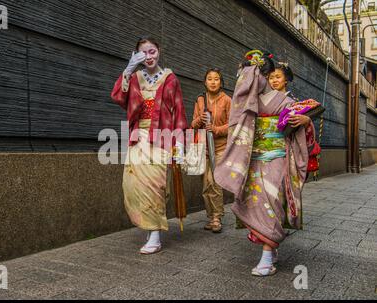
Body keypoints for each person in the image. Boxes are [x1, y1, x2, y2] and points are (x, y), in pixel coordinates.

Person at [214, 50, 315, 276]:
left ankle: (267, 258)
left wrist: (306, 121)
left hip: (277, 157)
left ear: (263, 75)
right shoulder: (250, 102)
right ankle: (269, 248)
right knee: (254, 203)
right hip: (253, 159)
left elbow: (299, 130)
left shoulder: (286, 101)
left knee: (271, 201)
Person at [111, 36, 188, 255]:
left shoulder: (170, 78)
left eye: (152, 51)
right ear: (137, 55)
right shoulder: (134, 77)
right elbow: (119, 98)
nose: (149, 56)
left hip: (161, 137)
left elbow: (179, 112)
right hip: (138, 136)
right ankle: (149, 226)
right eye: (143, 53)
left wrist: (180, 144)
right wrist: (128, 69)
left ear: (159, 51)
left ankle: (155, 234)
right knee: (133, 184)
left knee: (155, 186)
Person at [191, 69, 231, 233]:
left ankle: (217, 217)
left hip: (220, 147)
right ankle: (212, 215)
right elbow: (192, 124)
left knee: (215, 182)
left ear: (221, 82)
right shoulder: (200, 100)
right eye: (210, 79)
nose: (213, 82)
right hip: (203, 148)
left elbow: (233, 125)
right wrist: (200, 119)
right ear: (205, 82)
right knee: (206, 184)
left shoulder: (227, 100)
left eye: (216, 79)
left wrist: (216, 129)